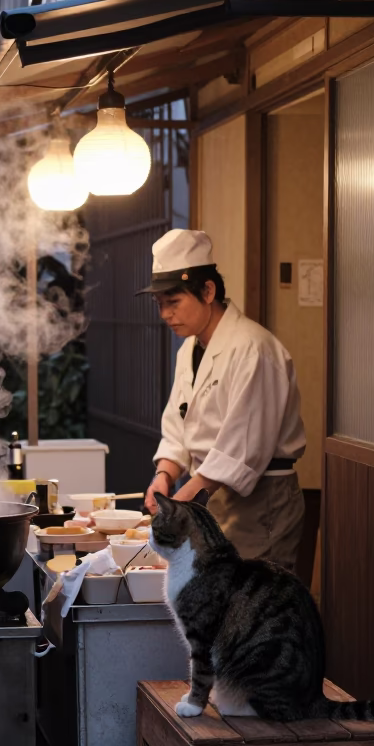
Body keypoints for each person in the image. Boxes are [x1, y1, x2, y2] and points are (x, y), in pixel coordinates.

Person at [141, 229, 306, 570]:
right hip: (211, 495)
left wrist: (190, 492)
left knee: (257, 607)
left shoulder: (253, 348)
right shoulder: (190, 348)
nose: (165, 315)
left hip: (262, 501)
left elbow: (246, 441)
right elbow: (179, 423)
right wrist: (165, 475)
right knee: (218, 603)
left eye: (173, 302)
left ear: (207, 290)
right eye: (160, 304)